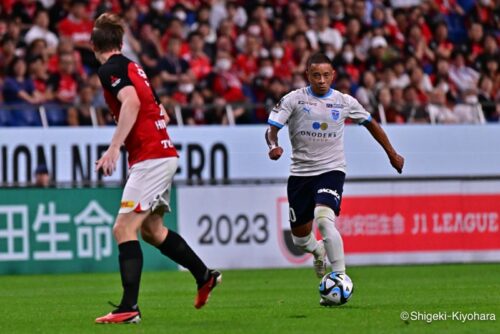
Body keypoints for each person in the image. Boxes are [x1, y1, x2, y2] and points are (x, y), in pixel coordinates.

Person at [90, 13, 220, 324]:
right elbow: (161, 110)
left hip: (150, 158)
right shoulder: (134, 67)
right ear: (121, 43)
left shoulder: (109, 69)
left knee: (123, 229)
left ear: (93, 45)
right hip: (164, 152)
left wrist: (114, 147)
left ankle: (128, 307)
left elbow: (132, 103)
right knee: (152, 231)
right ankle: (204, 275)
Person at [265, 53, 404, 304]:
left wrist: (392, 154)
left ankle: (339, 277)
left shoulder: (344, 101)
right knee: (300, 240)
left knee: (324, 219)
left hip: (332, 170)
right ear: (307, 75)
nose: (321, 80)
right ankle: (318, 251)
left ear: (333, 75)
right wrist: (273, 146)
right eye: (316, 75)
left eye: (326, 75)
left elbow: (371, 123)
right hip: (300, 175)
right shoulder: (294, 99)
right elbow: (272, 128)